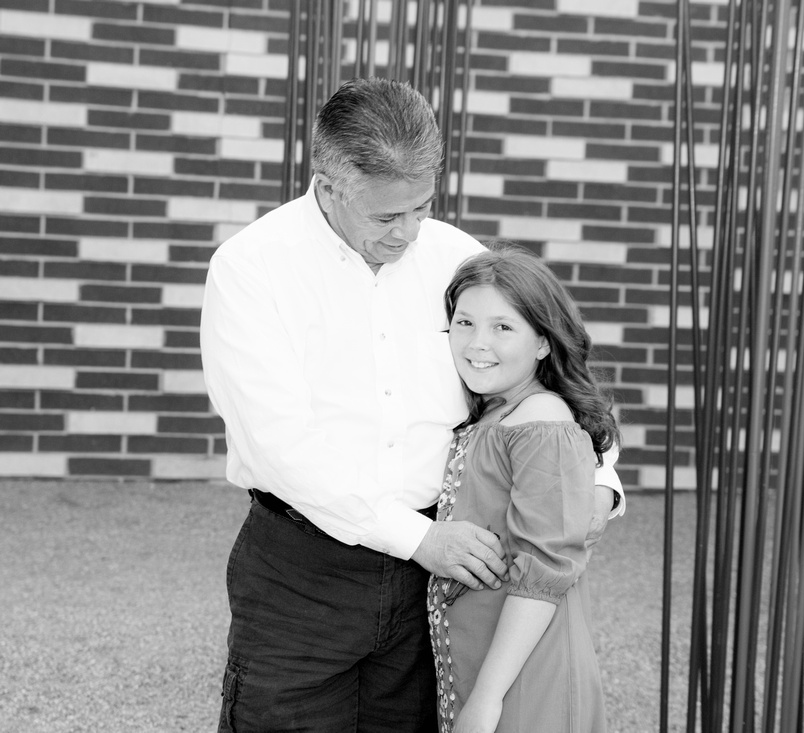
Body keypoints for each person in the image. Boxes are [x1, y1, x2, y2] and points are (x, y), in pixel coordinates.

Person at [200, 77, 623, 732]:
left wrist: (596, 479)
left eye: (421, 207)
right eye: (385, 216)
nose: (408, 232)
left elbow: (551, 365)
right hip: (304, 568)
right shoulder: (252, 268)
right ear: (330, 181)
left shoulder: (456, 255)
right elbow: (276, 444)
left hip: (443, 571)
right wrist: (421, 538)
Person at [427, 245, 619, 733]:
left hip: (524, 677)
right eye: (465, 323)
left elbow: (544, 571)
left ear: (542, 342)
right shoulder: (499, 409)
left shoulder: (541, 421)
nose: (476, 344)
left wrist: (487, 701)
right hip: (487, 660)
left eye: (503, 327)